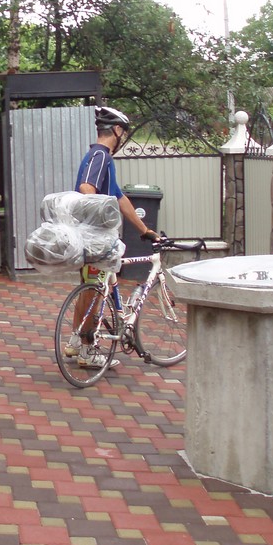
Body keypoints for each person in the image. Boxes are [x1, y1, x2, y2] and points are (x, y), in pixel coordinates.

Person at [65, 106, 159, 369]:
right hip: (95, 238)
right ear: (117, 130)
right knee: (94, 293)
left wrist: (143, 229)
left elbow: (120, 198)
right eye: (124, 133)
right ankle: (87, 350)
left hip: (94, 237)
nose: (123, 138)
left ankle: (75, 341)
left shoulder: (101, 158)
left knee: (92, 289)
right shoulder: (100, 155)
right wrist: (100, 219)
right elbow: (86, 187)